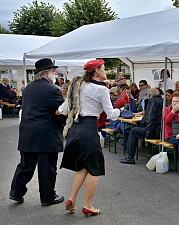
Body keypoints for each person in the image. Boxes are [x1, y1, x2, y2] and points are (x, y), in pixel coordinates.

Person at [58, 59, 123, 216]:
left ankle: (72, 199)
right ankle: (88, 205)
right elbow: (111, 115)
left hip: (74, 129)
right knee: (94, 168)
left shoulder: (77, 85)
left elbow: (64, 110)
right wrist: (121, 109)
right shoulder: (102, 90)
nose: (105, 71)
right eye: (104, 69)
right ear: (96, 72)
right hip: (88, 129)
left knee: (83, 166)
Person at [10, 58, 65, 206]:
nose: (55, 74)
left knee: (25, 165)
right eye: (54, 71)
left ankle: (16, 192)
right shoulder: (53, 89)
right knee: (47, 168)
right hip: (46, 135)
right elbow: (61, 112)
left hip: (28, 132)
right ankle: (47, 198)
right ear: (46, 73)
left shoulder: (28, 88)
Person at [120, 88, 163, 164]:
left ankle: (130, 157)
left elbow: (150, 119)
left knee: (133, 131)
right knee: (135, 129)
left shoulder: (152, 101)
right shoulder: (162, 100)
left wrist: (148, 135)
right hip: (161, 130)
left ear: (149, 95)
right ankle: (151, 151)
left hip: (155, 131)